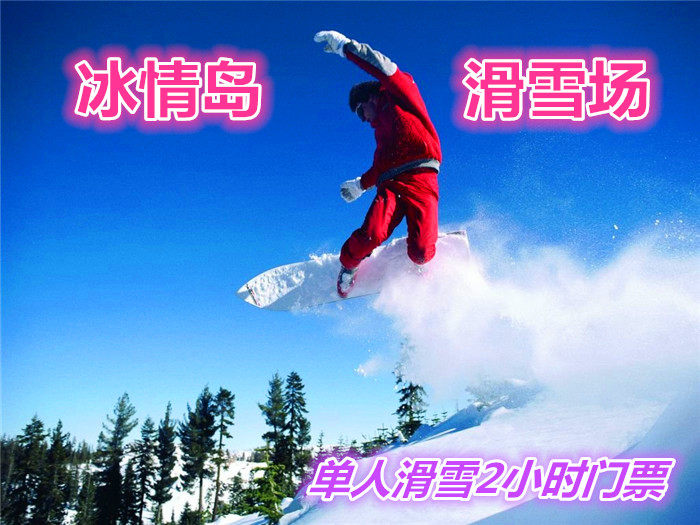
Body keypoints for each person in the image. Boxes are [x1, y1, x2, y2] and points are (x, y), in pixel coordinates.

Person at [313, 30, 442, 297]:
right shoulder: (381, 135)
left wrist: (346, 47)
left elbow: (382, 66)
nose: (364, 120)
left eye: (361, 112)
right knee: (371, 234)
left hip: (422, 178)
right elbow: (382, 167)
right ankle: (348, 267)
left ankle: (419, 262)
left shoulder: (399, 93)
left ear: (370, 98)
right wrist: (359, 185)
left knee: (421, 252)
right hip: (391, 185)